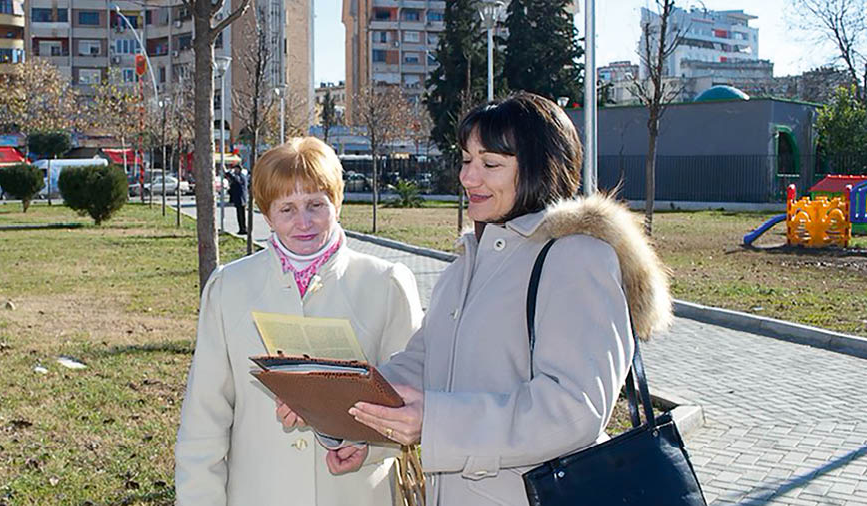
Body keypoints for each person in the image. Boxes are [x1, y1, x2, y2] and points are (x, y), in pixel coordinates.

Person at [339, 92, 674, 505]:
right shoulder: (468, 262)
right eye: (465, 160)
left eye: (490, 164)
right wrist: (348, 413)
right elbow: (424, 365)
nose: (467, 177)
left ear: (540, 169)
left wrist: (436, 422)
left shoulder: (575, 258)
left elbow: (573, 409)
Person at [175, 136, 425, 505]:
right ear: (265, 212)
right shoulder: (229, 287)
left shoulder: (387, 283)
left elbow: (409, 403)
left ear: (337, 203)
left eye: (315, 205)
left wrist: (361, 444)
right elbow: (205, 417)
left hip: (356, 493)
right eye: (286, 209)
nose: (303, 222)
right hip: (260, 492)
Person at [227, 165, 248, 234]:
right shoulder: (239, 176)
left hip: (241, 199)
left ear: (239, 169)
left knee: (241, 215)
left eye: (236, 169)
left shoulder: (241, 176)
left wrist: (230, 173)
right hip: (239, 199)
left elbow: (236, 181)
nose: (235, 170)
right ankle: (242, 228)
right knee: (240, 215)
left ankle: (243, 229)